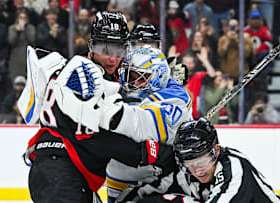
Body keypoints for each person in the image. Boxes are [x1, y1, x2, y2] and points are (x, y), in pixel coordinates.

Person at [25, 55, 173, 203]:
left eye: (116, 50)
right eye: (104, 49)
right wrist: (153, 152)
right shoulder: (89, 81)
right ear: (91, 50)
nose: (111, 58)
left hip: (52, 166)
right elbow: (101, 141)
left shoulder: (67, 71)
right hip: (62, 176)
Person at [119, 118, 280, 203]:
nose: (198, 170)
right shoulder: (185, 175)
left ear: (217, 151)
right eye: (190, 164)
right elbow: (145, 191)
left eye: (203, 162)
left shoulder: (234, 166)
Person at [102, 46, 192, 202]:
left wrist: (102, 111)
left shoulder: (175, 98)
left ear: (159, 78)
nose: (132, 83)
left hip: (155, 183)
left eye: (140, 78)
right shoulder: (124, 90)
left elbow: (141, 125)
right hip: (118, 180)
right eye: (130, 76)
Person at [88, 11, 129, 82]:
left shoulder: (127, 78)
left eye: (119, 53)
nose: (113, 59)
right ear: (92, 49)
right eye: (106, 51)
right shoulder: (79, 76)